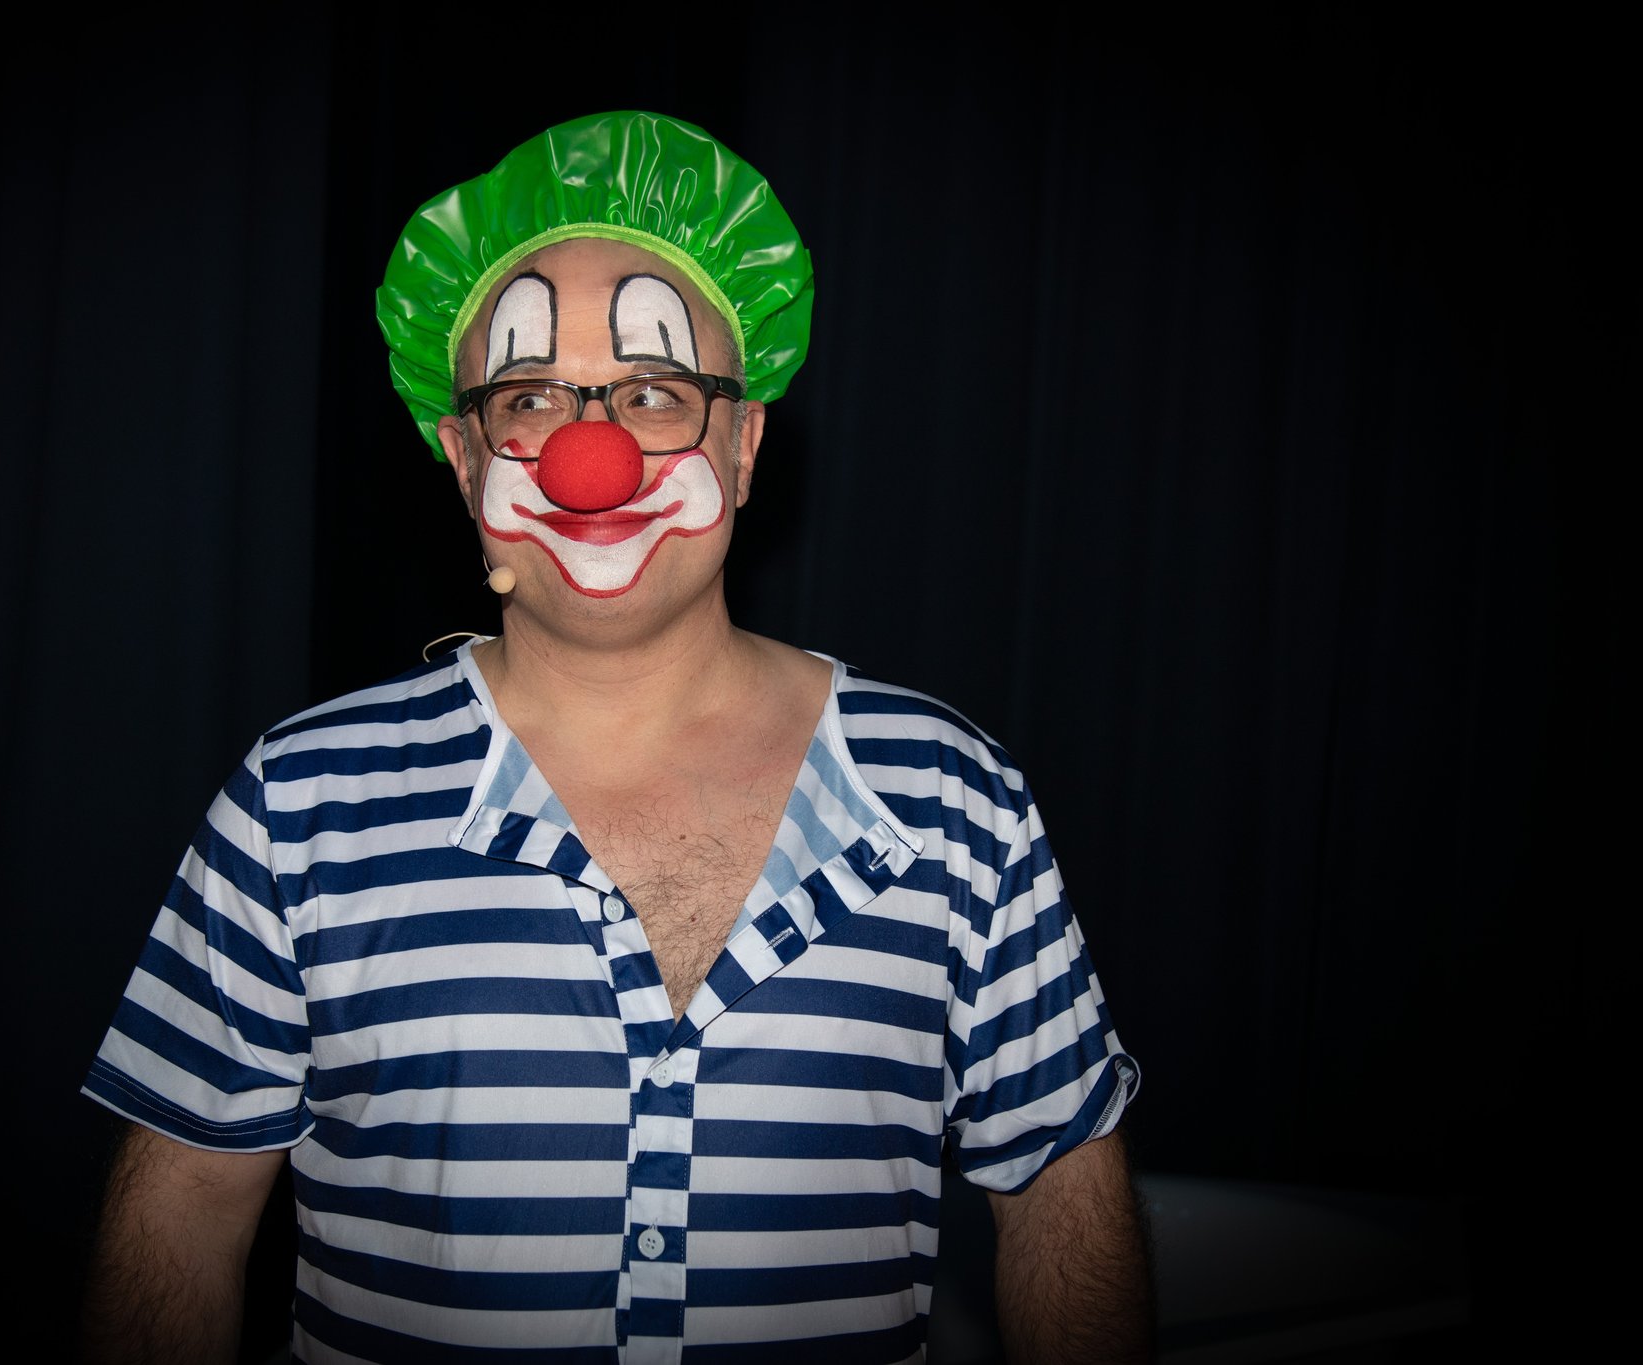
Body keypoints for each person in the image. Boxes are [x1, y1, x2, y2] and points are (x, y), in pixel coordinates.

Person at [81, 110, 1152, 1365]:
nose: (590, 457)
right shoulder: (298, 804)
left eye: (652, 394)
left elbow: (1061, 1208)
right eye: (529, 397)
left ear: (743, 444)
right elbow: (180, 1228)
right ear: (461, 456)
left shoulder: (953, 795)